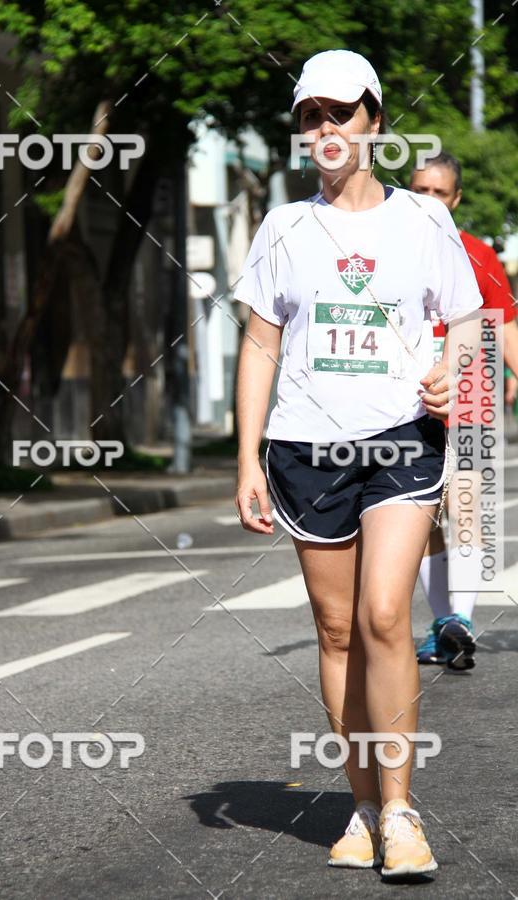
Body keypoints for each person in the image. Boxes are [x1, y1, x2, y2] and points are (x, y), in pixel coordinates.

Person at [233, 49, 483, 878]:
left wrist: (452, 373)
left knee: (384, 616)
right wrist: (246, 459)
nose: (326, 129)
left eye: (341, 112)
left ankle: (404, 812)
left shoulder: (423, 221)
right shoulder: (283, 228)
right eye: (312, 116)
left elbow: (465, 322)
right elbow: (260, 347)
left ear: (376, 120)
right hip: (305, 448)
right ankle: (363, 805)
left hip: (402, 441)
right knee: (336, 630)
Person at [409, 153, 518, 669]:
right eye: (419, 190)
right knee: (420, 517)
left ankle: (463, 619)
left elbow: (506, 327)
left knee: (466, 508)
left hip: (472, 394)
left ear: (454, 199)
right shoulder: (388, 250)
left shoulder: (477, 255)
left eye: (438, 192)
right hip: (409, 404)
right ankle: (442, 625)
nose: (428, 200)